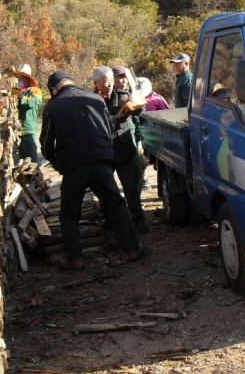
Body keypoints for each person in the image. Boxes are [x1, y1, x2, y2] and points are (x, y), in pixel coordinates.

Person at [40, 71, 144, 270]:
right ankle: (132, 248)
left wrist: (57, 163)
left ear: (54, 89)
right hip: (101, 161)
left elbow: (46, 143)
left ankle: (75, 258)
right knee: (116, 206)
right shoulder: (96, 99)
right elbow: (109, 130)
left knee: (69, 214)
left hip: (73, 166)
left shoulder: (53, 106)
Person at [94, 66, 149, 234]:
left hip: (125, 151)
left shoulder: (122, 96)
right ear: (96, 83)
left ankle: (138, 220)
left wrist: (137, 101)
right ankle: (110, 222)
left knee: (132, 189)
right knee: (106, 191)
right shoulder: (91, 101)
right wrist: (117, 118)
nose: (109, 85)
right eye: (105, 82)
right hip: (104, 153)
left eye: (111, 81)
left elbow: (140, 112)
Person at [15, 64, 42, 163]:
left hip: (27, 130)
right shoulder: (13, 91)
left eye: (21, 77)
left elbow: (34, 102)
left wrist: (21, 97)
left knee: (31, 160)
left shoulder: (34, 91)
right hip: (14, 130)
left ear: (27, 79)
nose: (19, 80)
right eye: (18, 77)